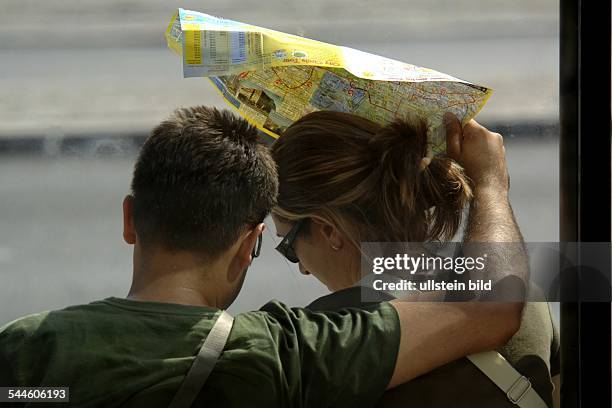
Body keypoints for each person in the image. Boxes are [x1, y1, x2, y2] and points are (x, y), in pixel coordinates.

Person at [0, 106, 524, 407]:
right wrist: (491, 183)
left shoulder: (27, 350)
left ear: (130, 220)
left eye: (288, 240)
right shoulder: (282, 356)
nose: (293, 263)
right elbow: (492, 299)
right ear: (247, 244)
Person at [270, 111, 560, 407]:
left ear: (330, 231)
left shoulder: (323, 336)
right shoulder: (527, 296)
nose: (303, 268)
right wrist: (490, 184)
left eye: (289, 245)